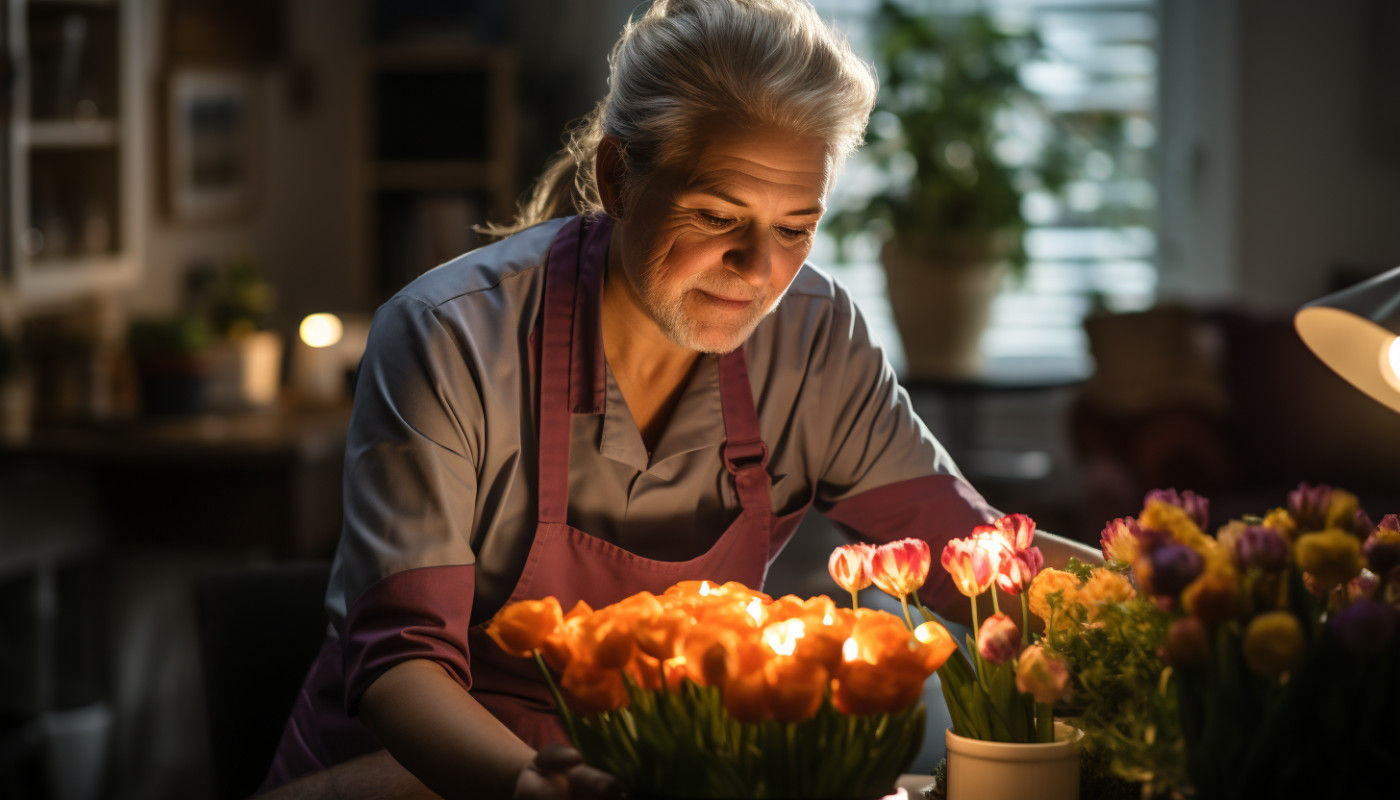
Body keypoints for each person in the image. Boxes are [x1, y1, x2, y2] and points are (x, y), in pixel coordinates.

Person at [260, 1, 1097, 798]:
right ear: (617, 176)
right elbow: (400, 666)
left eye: (795, 228)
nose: (759, 268)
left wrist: (1164, 593)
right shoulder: (448, 337)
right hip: (416, 777)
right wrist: (526, 784)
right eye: (715, 214)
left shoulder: (812, 339)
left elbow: (975, 561)